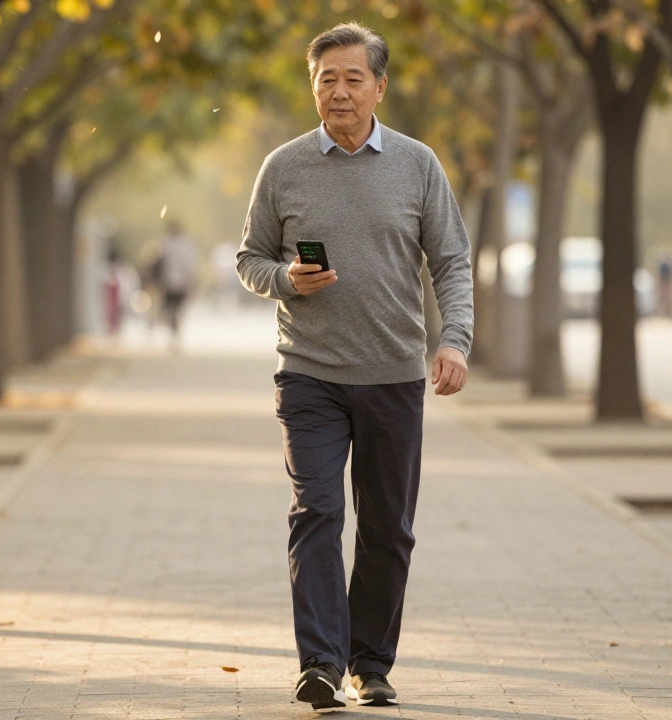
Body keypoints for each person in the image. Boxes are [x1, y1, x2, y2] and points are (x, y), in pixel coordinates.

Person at [235, 22, 474, 712]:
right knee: (318, 511)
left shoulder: (417, 165)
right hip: (308, 373)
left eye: (352, 78)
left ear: (379, 87)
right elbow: (249, 259)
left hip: (394, 375)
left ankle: (370, 662)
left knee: (388, 528)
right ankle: (319, 663)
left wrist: (453, 340)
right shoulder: (283, 168)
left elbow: (451, 261)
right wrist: (286, 280)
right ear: (313, 88)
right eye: (326, 79)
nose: (339, 92)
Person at [152, 221, 198, 348]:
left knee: (171, 310)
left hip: (170, 283)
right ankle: (174, 333)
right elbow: (190, 267)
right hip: (177, 284)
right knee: (175, 310)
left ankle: (173, 333)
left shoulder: (164, 245)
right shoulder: (185, 246)